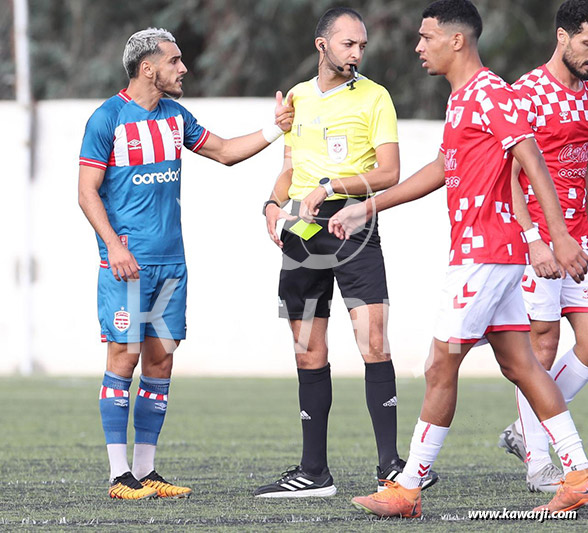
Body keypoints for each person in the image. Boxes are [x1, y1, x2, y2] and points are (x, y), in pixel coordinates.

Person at [329, 0, 588, 518]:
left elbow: (530, 158)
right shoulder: (464, 98)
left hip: (485, 255)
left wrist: (557, 237)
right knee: (521, 364)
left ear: (457, 41)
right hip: (492, 255)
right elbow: (443, 167)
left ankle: (407, 488)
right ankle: (578, 475)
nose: (418, 46)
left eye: (426, 37)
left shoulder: (491, 94)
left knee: (438, 365)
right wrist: (369, 206)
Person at [78, 27, 293, 500]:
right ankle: (118, 477)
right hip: (127, 263)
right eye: (174, 61)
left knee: (161, 361)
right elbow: (85, 191)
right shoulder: (107, 119)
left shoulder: (175, 117)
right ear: (148, 67)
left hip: (171, 264)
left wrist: (279, 126)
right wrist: (114, 245)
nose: (183, 68)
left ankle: (145, 471)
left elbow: (224, 152)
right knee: (124, 356)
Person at [254, 7, 438, 499]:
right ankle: (313, 472)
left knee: (373, 343)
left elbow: (390, 172)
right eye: (348, 45)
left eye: (361, 46)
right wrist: (273, 203)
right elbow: (289, 167)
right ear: (322, 46)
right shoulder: (296, 98)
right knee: (308, 350)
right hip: (301, 235)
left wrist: (330, 186)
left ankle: (390, 467)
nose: (356, 54)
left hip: (354, 228)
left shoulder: (376, 97)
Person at [497, 0, 588, 494]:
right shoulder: (526, 93)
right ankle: (539, 464)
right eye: (587, 44)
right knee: (543, 347)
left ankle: (524, 429)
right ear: (562, 36)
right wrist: (536, 240)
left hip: (580, 239)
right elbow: (508, 175)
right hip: (538, 241)